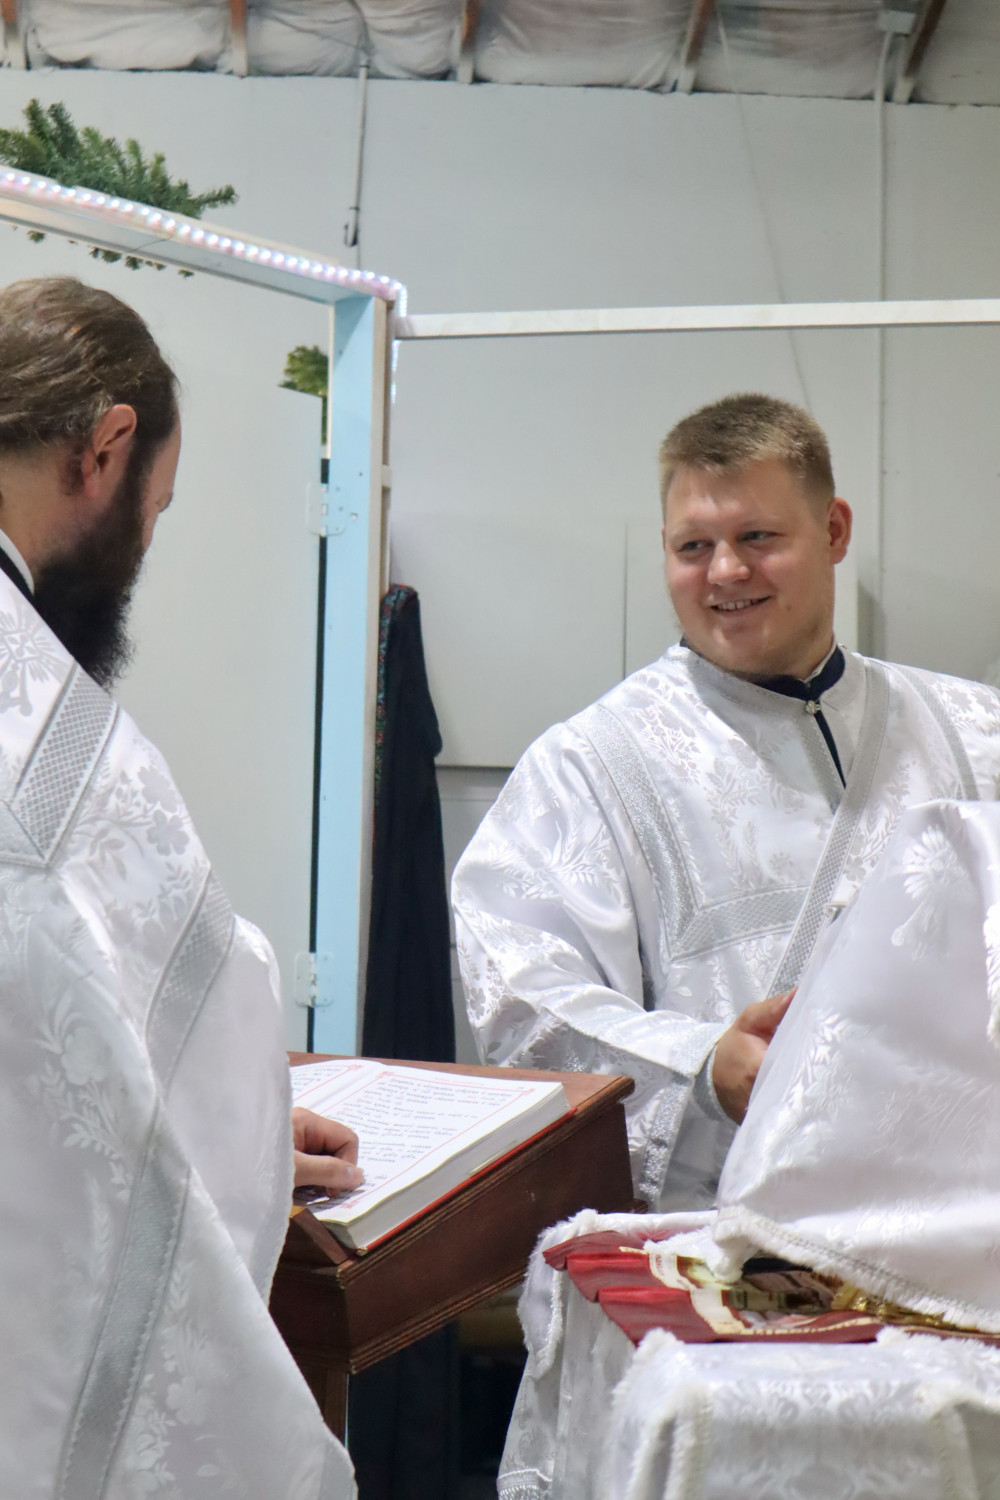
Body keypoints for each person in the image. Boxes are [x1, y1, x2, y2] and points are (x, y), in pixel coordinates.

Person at [453, 392, 1000, 1213]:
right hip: (712, 1240)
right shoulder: (588, 766)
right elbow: (524, 1004)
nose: (725, 573)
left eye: (758, 538)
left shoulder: (973, 731)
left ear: (834, 531)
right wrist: (705, 1067)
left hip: (953, 1222)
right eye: (694, 546)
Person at [0, 276, 356, 1497]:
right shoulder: (52, 740)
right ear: (104, 449)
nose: (142, 548)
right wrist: (248, 1126)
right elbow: (186, 1047)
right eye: (153, 509)